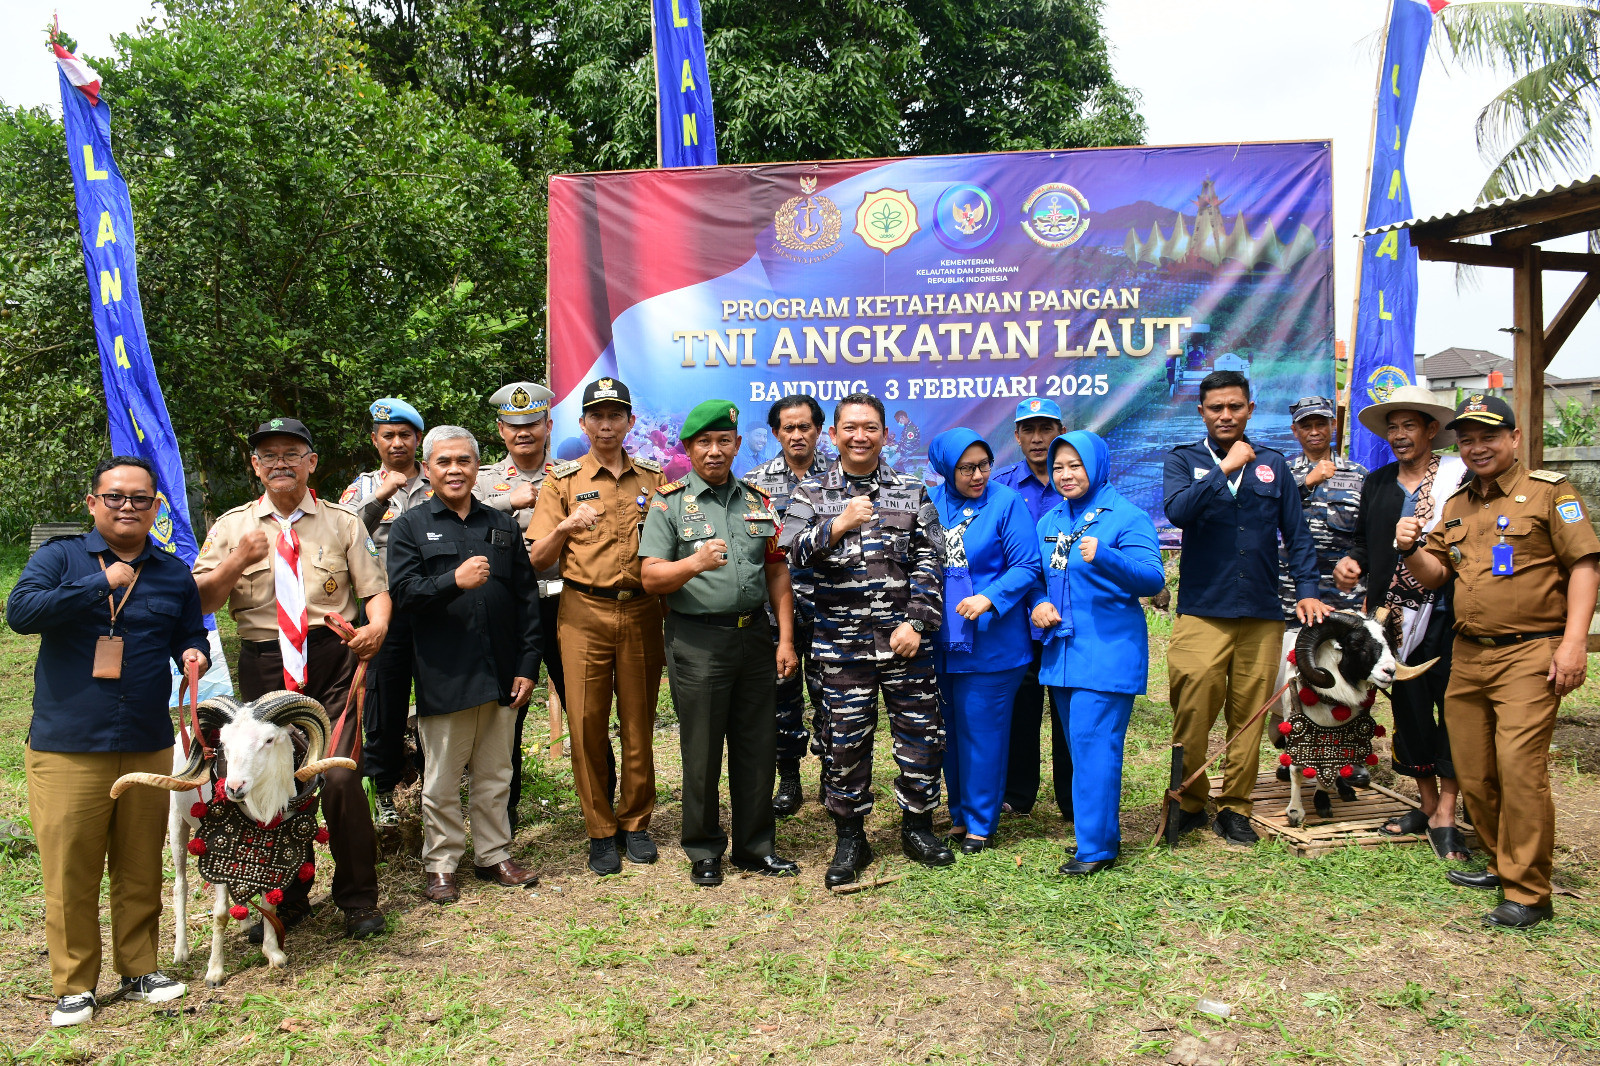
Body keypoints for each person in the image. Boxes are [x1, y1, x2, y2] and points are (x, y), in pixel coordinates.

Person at [8, 457, 208, 1026]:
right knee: (71, 868)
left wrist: (193, 652)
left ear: (155, 507)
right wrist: (100, 584)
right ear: (93, 503)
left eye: (141, 499)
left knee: (140, 863)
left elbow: (190, 631)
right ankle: (74, 985)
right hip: (69, 744)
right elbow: (20, 612)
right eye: (116, 497)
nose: (128, 507)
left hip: (145, 739)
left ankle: (140, 967)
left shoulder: (172, 572)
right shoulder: (60, 558)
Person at [1396, 394, 1600, 929]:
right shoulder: (1458, 504)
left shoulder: (1549, 494)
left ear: (1514, 439)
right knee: (1473, 769)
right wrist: (1409, 548)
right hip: (1467, 654)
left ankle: (1530, 891)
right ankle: (1500, 861)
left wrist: (1574, 642)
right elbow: (1436, 575)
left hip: (1531, 653)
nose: (1477, 447)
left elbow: (1584, 565)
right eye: (1467, 439)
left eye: (1489, 436)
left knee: (1519, 768)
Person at [192, 417, 390, 940]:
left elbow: (375, 591)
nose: (280, 461)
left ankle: (357, 899)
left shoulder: (344, 522)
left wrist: (379, 625)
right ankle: (288, 898)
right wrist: (239, 559)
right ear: (255, 466)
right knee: (271, 782)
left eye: (291, 452)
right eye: (268, 454)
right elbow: (203, 601)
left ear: (311, 463)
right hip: (263, 666)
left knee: (341, 778)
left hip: (331, 662)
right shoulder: (231, 527)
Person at [782, 392, 954, 887]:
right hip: (841, 646)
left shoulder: (911, 490)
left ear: (885, 434)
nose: (861, 436)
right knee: (844, 743)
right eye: (851, 427)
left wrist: (917, 623)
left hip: (904, 645)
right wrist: (836, 525)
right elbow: (790, 552)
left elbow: (930, 560)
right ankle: (850, 836)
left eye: (871, 428)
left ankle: (917, 827)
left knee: (922, 736)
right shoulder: (811, 494)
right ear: (833, 435)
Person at [1163, 371, 1331, 845]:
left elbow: (1296, 536)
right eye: (1216, 407)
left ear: (1250, 410)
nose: (1225, 415)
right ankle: (1191, 801)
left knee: (1250, 715)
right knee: (1192, 711)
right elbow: (1178, 512)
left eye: (1235, 407)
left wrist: (1308, 590)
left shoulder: (1274, 465)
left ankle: (1235, 807)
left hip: (1261, 612)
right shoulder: (1184, 460)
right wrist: (1225, 468)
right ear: (1201, 412)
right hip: (1203, 610)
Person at [640, 400, 802, 885]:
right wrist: (693, 564)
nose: (715, 450)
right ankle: (704, 848)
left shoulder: (758, 501)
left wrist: (785, 639)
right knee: (703, 747)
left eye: (724, 441)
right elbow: (650, 577)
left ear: (736, 445)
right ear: (688, 449)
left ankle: (755, 847)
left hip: (754, 636)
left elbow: (777, 572)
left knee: (757, 745)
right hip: (698, 640)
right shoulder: (668, 504)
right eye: (704, 443)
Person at [387, 426, 541, 903]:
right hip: (445, 671)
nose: (454, 470)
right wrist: (453, 580)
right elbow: (404, 593)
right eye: (444, 462)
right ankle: (443, 863)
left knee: (497, 774)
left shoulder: (501, 523)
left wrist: (528, 663)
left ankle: (494, 855)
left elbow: (526, 599)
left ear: (478, 468)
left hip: (502, 670)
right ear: (428, 469)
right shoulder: (409, 526)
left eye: (464, 461)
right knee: (441, 780)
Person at [528, 378, 666, 876]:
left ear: (629, 422)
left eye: (616, 415)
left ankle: (635, 822)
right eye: (596, 415)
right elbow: (537, 556)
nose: (606, 424)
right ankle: (600, 829)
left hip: (643, 611)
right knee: (586, 723)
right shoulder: (560, 482)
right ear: (583, 423)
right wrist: (565, 526)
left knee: (637, 720)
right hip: (584, 610)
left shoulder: (654, 479)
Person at [1334, 385, 1470, 860]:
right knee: (1409, 709)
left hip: (1449, 614)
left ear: (1432, 429)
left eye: (1409, 425)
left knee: (1454, 708)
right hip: (1393, 618)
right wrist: (1351, 563)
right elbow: (1361, 542)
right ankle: (1426, 802)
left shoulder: (1460, 478)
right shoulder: (1377, 483)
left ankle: (1448, 812)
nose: (1399, 435)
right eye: (1392, 428)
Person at [1030, 433, 1165, 874]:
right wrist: (1038, 603)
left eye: (1076, 465)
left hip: (1107, 653)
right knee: (1080, 749)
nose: (1066, 475)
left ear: (1097, 465)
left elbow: (1151, 578)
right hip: (1063, 654)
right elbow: (1035, 577)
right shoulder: (1050, 519)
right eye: (1059, 467)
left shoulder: (1127, 517)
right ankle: (1093, 836)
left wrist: (1105, 556)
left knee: (1095, 748)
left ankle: (1097, 849)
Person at [925, 428, 1041, 854]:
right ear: (944, 468)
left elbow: (1028, 565)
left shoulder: (1005, 503)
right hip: (941, 643)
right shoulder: (929, 505)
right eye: (966, 468)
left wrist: (990, 597)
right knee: (950, 734)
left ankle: (980, 822)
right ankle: (959, 814)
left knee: (983, 733)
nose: (978, 475)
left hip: (993, 644)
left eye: (984, 465)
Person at [473, 380, 564, 832]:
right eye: (513, 425)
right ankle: (501, 820)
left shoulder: (571, 473)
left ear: (549, 424)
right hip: (510, 613)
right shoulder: (484, 480)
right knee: (505, 718)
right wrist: (510, 499)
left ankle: (601, 816)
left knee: (586, 715)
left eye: (531, 423)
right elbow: (458, 515)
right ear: (501, 430)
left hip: (567, 605)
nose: (523, 432)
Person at [341, 397, 431, 826]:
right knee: (383, 704)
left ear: (418, 439)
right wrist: (381, 496)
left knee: (440, 699)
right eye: (388, 436)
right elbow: (342, 532)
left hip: (436, 607)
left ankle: (437, 787)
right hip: (383, 611)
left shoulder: (441, 477)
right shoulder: (360, 488)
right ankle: (383, 793)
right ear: (375, 440)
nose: (397, 443)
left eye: (405, 435)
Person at [744, 394, 829, 816]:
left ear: (818, 429)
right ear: (776, 432)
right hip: (776, 612)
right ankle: (789, 778)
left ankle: (835, 779)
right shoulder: (755, 483)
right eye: (788, 428)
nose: (797, 435)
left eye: (805, 427)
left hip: (834, 611)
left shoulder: (840, 478)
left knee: (832, 697)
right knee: (782, 698)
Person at [991, 398, 1074, 824]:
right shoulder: (1003, 489)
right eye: (1029, 429)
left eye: (1046, 428)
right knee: (1020, 710)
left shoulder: (1077, 482)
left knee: (1068, 711)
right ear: (1017, 436)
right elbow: (1000, 560)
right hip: (1019, 622)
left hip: (1068, 622)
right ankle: (1017, 795)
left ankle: (1071, 799)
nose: (1039, 438)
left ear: (1060, 431)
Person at [1276, 396, 1366, 618]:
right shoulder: (1282, 474)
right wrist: (1306, 483)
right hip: (1292, 591)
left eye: (1321, 424)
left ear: (1333, 425)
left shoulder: (1358, 475)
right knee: (1294, 652)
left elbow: (1370, 535)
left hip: (1345, 593)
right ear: (1295, 431)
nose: (1314, 432)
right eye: (1306, 426)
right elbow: (1267, 514)